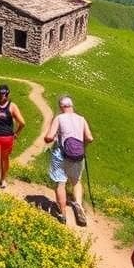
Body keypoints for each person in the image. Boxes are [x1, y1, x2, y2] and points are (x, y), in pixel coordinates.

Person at [43, 95, 93, 225]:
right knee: (76, 182)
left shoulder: (59, 118)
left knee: (60, 183)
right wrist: (83, 146)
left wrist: (50, 138)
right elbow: (89, 137)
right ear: (72, 106)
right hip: (78, 155)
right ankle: (79, 207)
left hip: (61, 154)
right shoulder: (81, 119)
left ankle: (63, 213)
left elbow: (49, 137)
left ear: (61, 107)